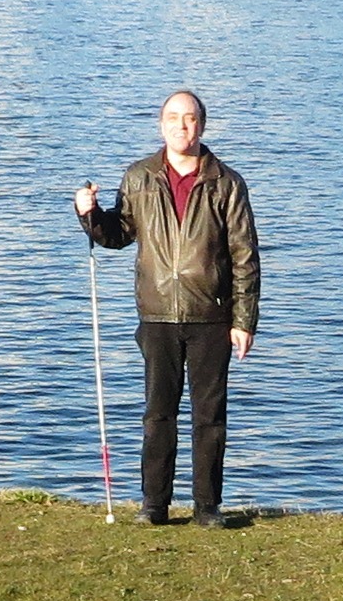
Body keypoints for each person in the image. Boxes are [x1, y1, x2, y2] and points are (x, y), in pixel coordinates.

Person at [75, 88, 261, 526]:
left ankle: (206, 507)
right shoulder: (139, 177)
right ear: (161, 125)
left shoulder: (226, 183)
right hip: (157, 313)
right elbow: (118, 234)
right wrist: (90, 214)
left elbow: (244, 256)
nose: (182, 126)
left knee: (209, 418)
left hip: (211, 315)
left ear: (202, 125)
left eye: (191, 118)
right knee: (158, 414)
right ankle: (154, 506)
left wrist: (244, 320)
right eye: (174, 118)